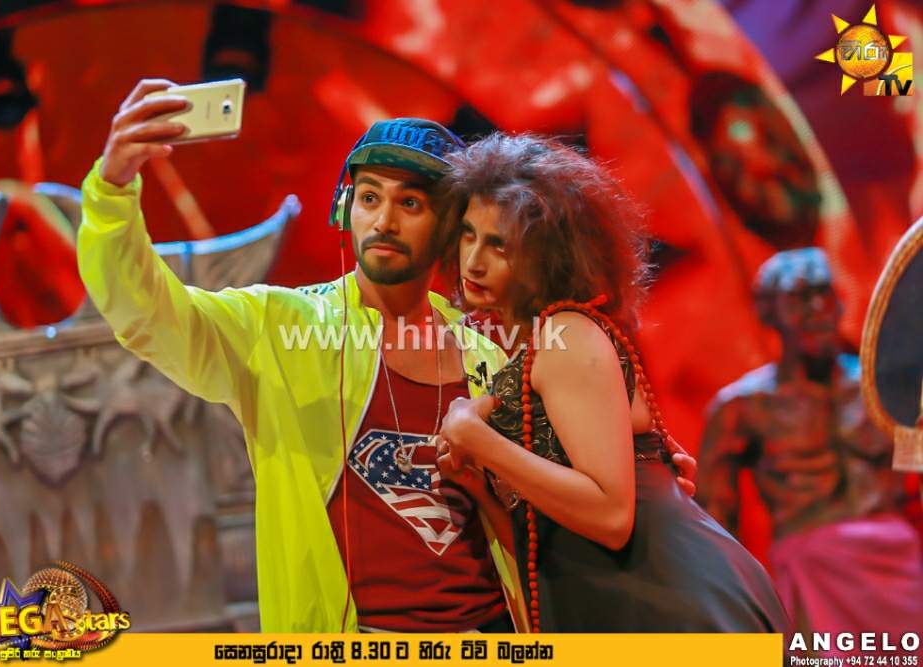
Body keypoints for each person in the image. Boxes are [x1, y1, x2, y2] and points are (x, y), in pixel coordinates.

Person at [77, 81, 698, 633]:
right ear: (345, 208)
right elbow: (146, 312)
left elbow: (560, 510)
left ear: (450, 227)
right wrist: (112, 190)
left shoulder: (496, 351)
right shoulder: (280, 327)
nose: (384, 221)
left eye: (411, 203)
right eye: (369, 197)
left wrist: (647, 474)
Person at [433, 132, 788, 632]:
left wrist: (474, 436)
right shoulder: (541, 341)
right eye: (468, 234)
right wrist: (480, 485)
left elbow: (610, 518)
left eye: (499, 244)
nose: (473, 260)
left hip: (672, 603)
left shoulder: (567, 333)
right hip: (623, 599)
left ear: (546, 254)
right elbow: (547, 543)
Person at [697, 247, 923, 642]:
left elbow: (917, 470)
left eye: (825, 294)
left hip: (897, 568)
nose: (818, 310)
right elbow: (717, 524)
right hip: (811, 575)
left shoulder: (881, 388)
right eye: (800, 299)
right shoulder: (744, 407)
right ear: (769, 312)